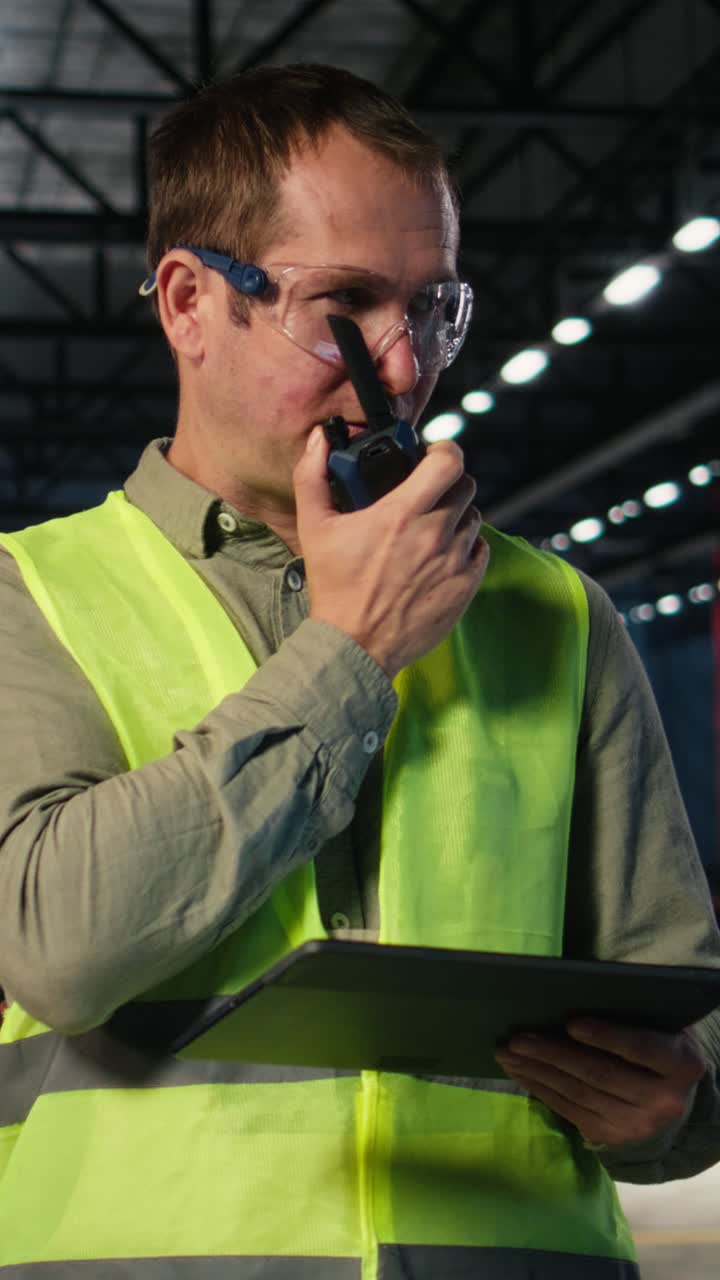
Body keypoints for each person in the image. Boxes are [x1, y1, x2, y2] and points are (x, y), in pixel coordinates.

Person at [0, 63, 718, 1279]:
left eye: (433, 312)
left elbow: (681, 1009)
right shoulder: (32, 594)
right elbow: (56, 942)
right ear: (188, 303)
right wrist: (353, 652)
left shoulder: (556, 610)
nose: (401, 369)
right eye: (343, 303)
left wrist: (675, 1105)